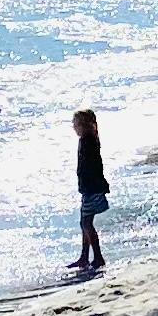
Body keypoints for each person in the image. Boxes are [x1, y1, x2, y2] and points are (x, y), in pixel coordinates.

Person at [72, 109, 110, 272]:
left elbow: (92, 167)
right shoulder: (88, 139)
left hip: (92, 188)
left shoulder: (88, 141)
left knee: (86, 223)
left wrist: (89, 186)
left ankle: (98, 257)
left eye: (76, 124)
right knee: (85, 222)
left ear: (84, 125)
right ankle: (84, 257)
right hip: (89, 188)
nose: (74, 127)